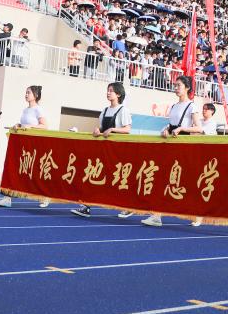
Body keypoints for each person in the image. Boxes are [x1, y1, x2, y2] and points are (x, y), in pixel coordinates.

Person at [142, 76, 203, 227]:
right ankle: (156, 215)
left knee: (186, 181)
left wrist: (182, 128)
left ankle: (197, 214)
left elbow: (199, 128)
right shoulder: (174, 106)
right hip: (171, 146)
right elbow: (171, 125)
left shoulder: (192, 106)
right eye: (175, 85)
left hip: (184, 147)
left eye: (178, 85)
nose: (175, 88)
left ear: (187, 88)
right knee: (162, 178)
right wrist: (166, 130)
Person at [73, 82, 132, 218]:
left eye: (111, 91)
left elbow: (127, 129)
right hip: (103, 150)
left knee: (117, 180)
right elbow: (101, 127)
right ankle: (86, 206)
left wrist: (112, 129)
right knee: (94, 176)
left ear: (118, 94)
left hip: (117, 150)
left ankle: (128, 206)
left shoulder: (123, 110)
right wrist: (97, 130)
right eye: (107, 90)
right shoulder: (105, 111)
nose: (108, 93)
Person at [0, 86, 49, 208]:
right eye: (26, 92)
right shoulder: (25, 110)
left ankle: (44, 196)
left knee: (34, 172)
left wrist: (30, 127)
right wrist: (18, 125)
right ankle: (7, 197)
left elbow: (44, 126)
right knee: (13, 168)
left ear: (35, 95)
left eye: (28, 92)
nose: (26, 94)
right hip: (22, 143)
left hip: (33, 145)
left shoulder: (38, 109)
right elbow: (24, 124)